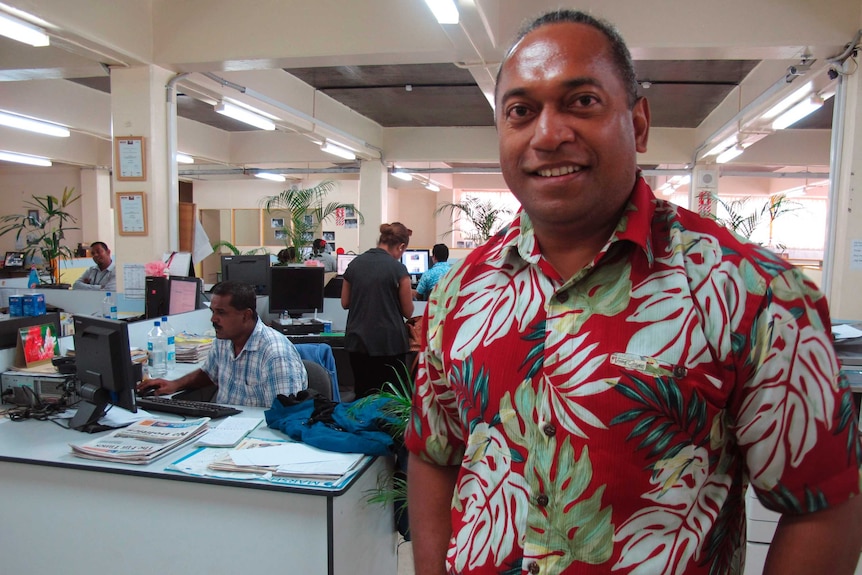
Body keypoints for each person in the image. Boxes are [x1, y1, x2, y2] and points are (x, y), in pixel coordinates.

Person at [405, 9, 862, 575]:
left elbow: (821, 506)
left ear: (638, 123)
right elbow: (433, 452)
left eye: (582, 102)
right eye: (521, 111)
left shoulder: (754, 292)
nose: (548, 134)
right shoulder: (461, 291)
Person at [137, 281, 307, 406]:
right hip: (223, 428)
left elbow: (287, 414)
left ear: (246, 315)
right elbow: (209, 373)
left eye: (221, 313)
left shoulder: (275, 353)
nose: (213, 319)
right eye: (212, 311)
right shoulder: (224, 340)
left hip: (259, 437)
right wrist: (175, 384)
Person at [341, 222, 414, 398]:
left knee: (362, 396)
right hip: (389, 344)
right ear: (401, 246)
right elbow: (407, 312)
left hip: (358, 343)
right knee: (389, 400)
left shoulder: (355, 264)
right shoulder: (398, 269)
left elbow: (345, 302)